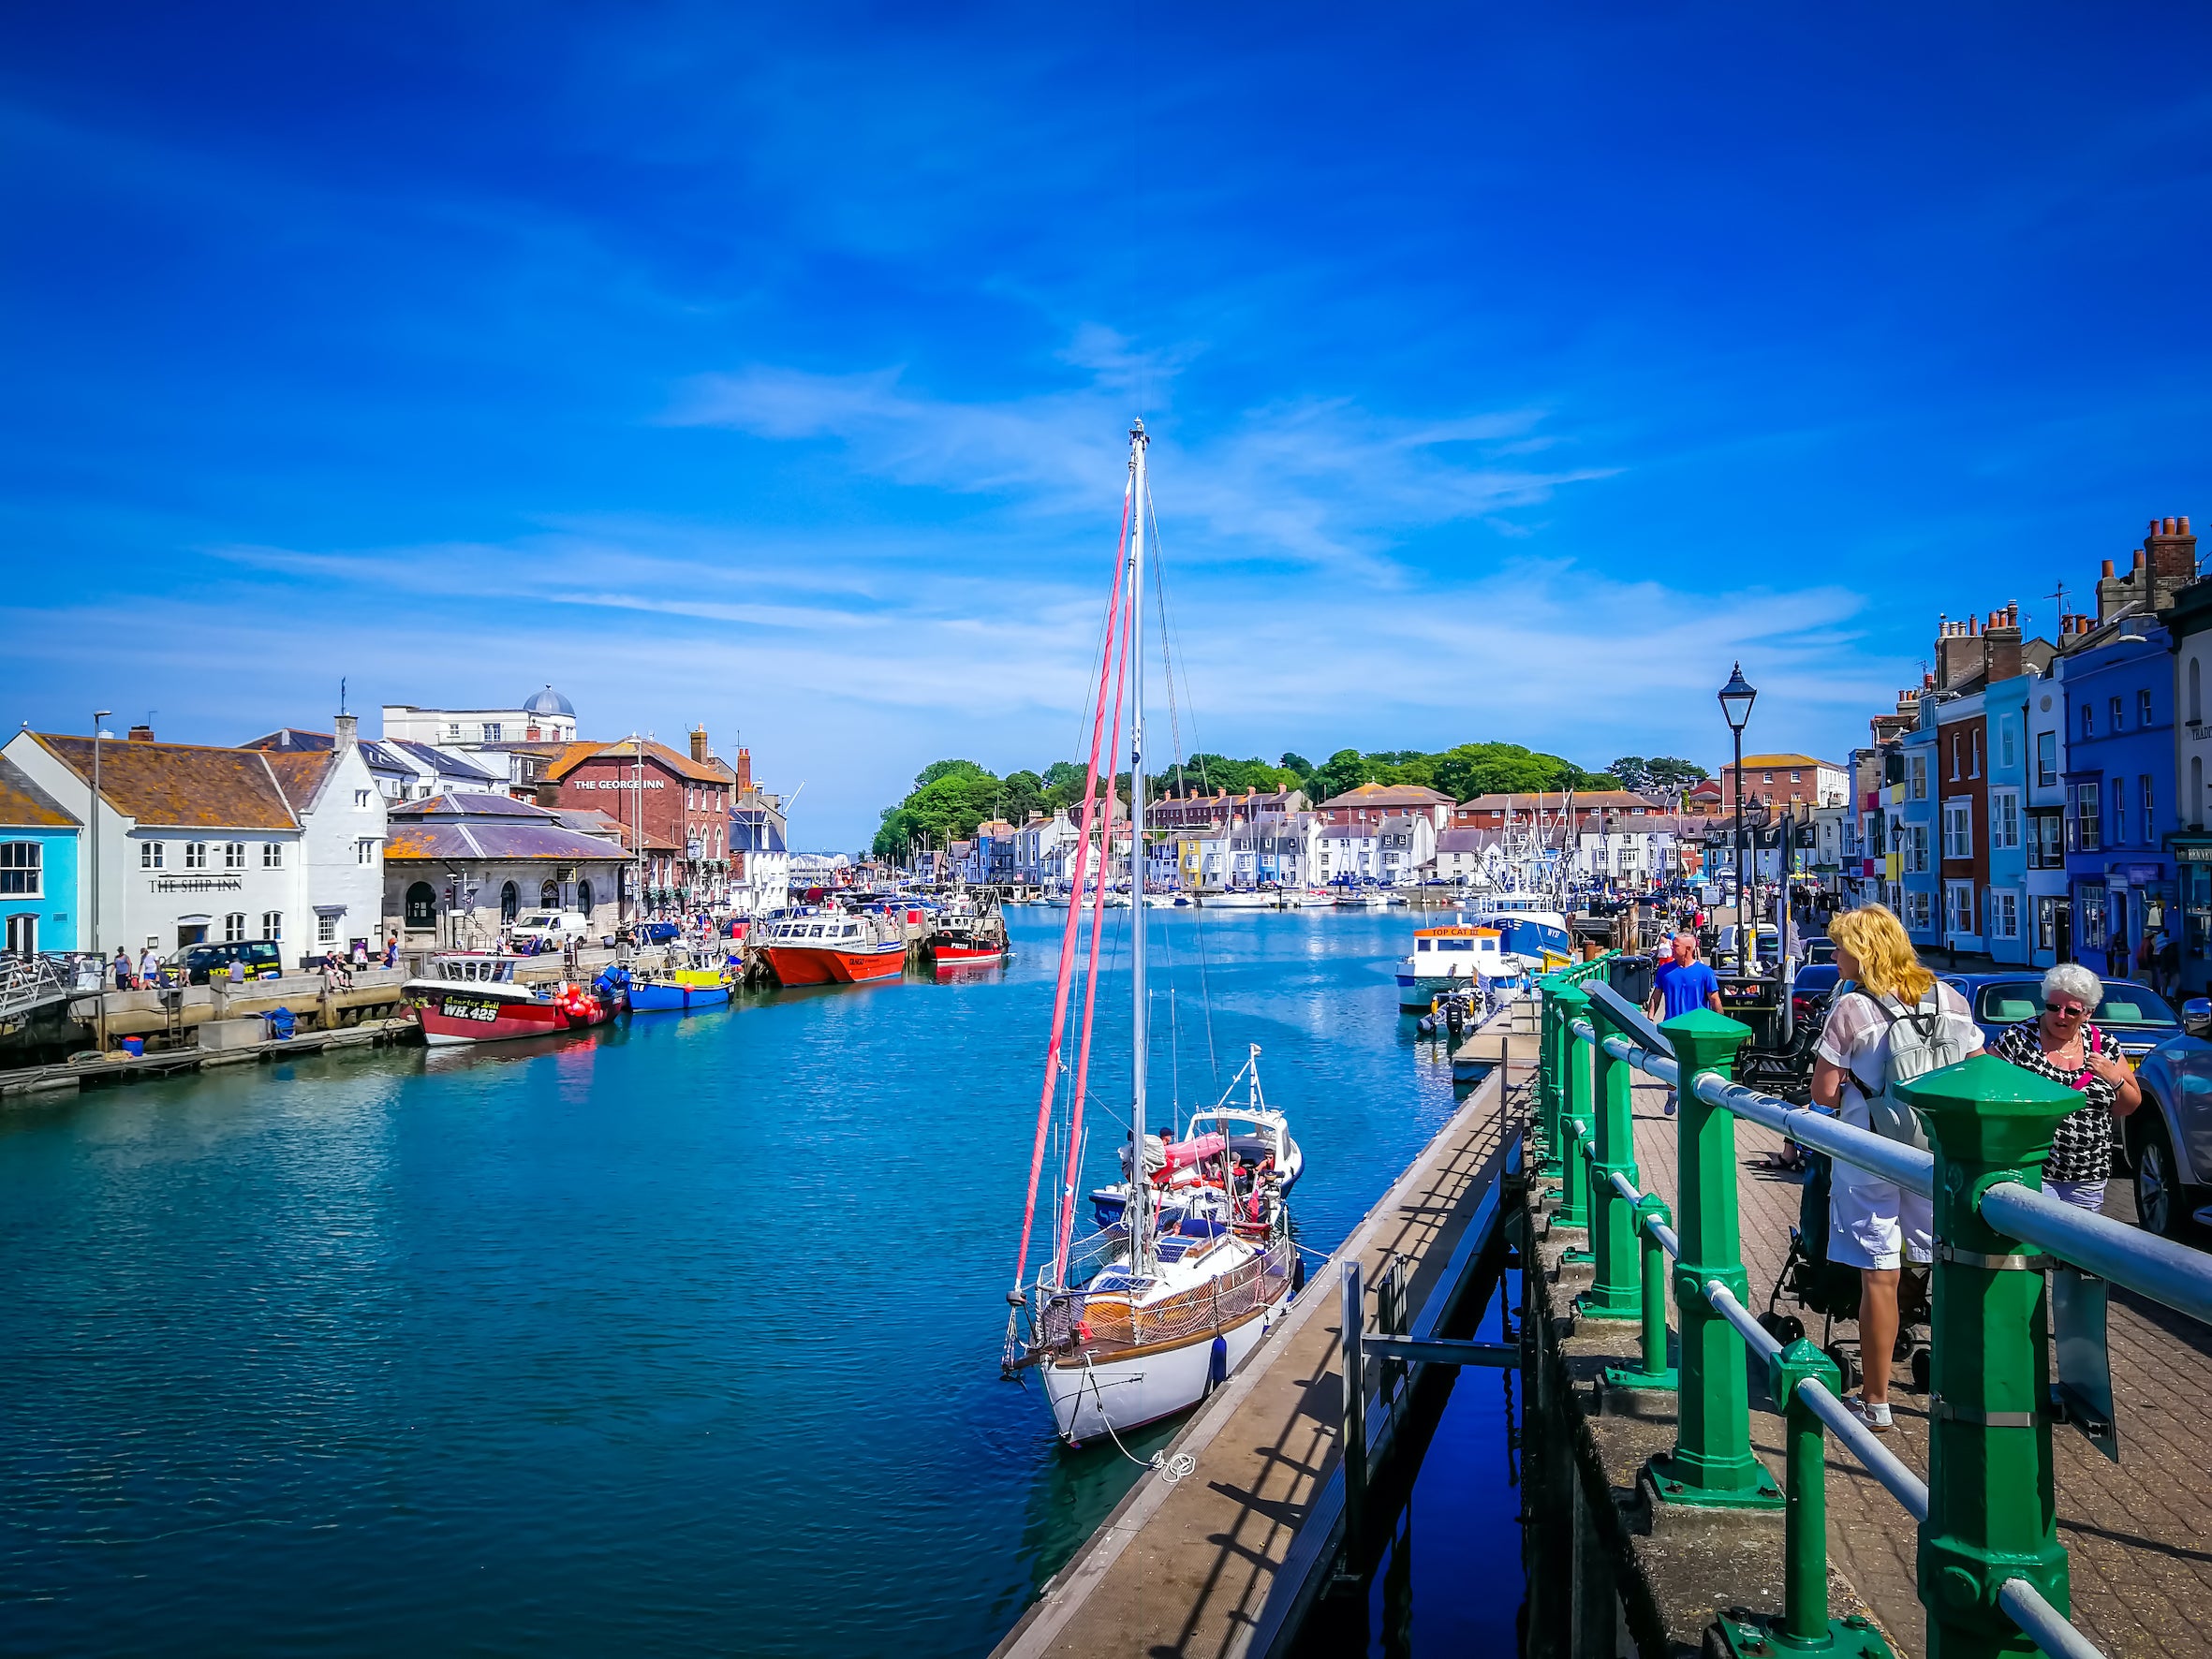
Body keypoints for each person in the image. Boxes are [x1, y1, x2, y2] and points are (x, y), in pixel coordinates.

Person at [1811, 903, 1982, 1434]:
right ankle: (1958, 1387)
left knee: (1878, 1275)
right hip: (1932, 1152)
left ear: (1863, 951)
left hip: (1869, 1154)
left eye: (1840, 945)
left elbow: (1823, 1091)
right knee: (1942, 1264)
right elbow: (1976, 1069)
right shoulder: (1950, 998)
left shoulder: (1852, 1009)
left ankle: (1876, 1399)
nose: (1835, 953)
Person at [1989, 962, 2139, 1211]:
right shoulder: (2017, 1039)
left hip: (2088, 1171)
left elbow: (2129, 1105)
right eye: (2053, 1007)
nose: (2060, 1016)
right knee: (2037, 1239)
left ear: (2087, 1013)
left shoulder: (2105, 1045)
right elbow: (1985, 1088)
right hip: (2032, 1166)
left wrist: (2114, 1078)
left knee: (2076, 1246)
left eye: (2071, 1011)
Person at [1646, 933, 1721, 1116]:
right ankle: (1673, 1093)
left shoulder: (1705, 972)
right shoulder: (1665, 971)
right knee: (1669, 1066)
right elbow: (1657, 995)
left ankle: (1691, 1102)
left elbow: (1714, 999)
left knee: (1694, 1067)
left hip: (1696, 1030)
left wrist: (1719, 1022)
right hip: (1671, 1028)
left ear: (1688, 949)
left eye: (1676, 946)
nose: (1672, 948)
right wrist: (1649, 1017)